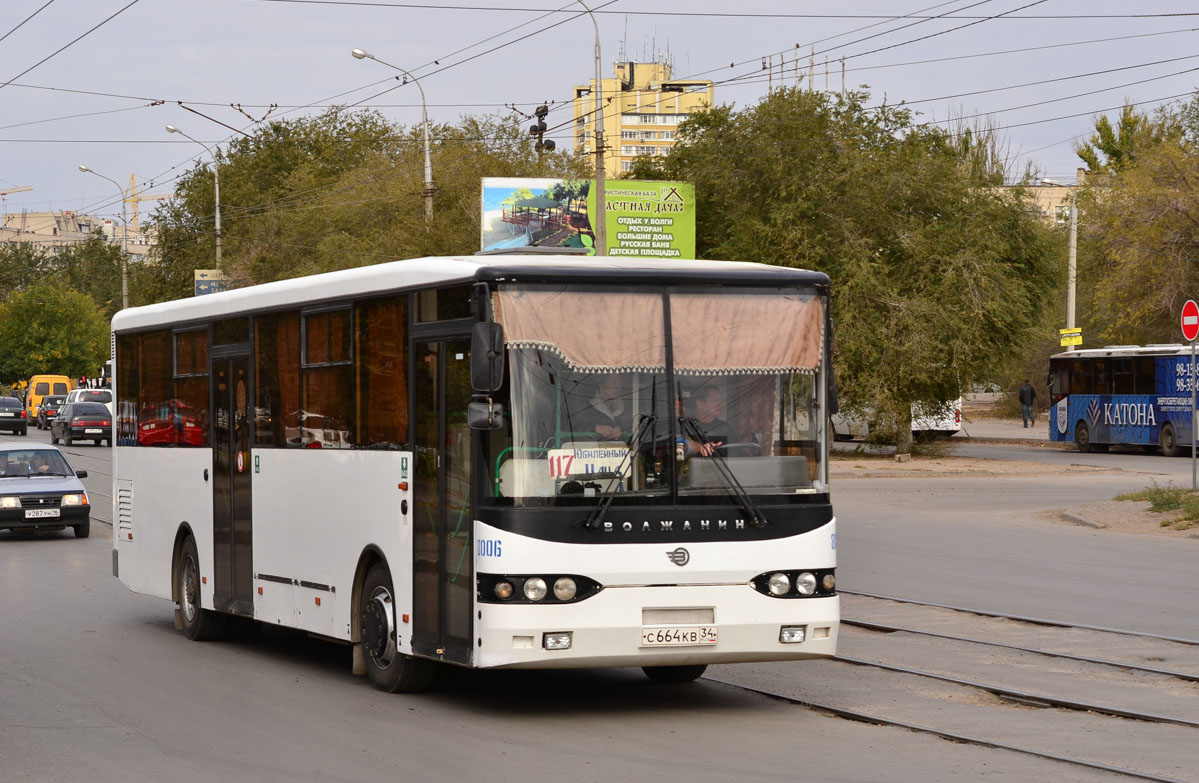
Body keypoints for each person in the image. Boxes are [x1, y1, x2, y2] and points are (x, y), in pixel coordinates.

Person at [575, 375, 629, 440]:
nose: (618, 387)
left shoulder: (621, 408)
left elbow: (630, 428)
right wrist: (595, 428)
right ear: (601, 384)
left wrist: (619, 428)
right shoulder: (586, 406)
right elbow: (573, 427)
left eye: (620, 383)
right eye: (614, 382)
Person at [682, 385, 729, 457]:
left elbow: (739, 455)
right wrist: (700, 447)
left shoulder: (726, 428)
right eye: (714, 400)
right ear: (700, 404)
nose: (719, 404)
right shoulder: (687, 426)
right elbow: (680, 445)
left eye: (719, 400)